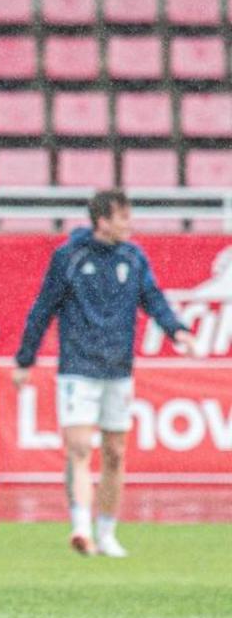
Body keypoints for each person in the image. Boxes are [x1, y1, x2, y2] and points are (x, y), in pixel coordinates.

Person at [13, 189, 195, 557]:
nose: (129, 224)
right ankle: (81, 527)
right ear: (102, 220)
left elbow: (153, 298)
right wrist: (24, 359)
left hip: (118, 369)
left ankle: (108, 531)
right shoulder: (69, 257)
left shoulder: (133, 256)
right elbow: (43, 308)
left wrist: (177, 330)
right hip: (78, 368)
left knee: (114, 452)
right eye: (122, 217)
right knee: (79, 448)